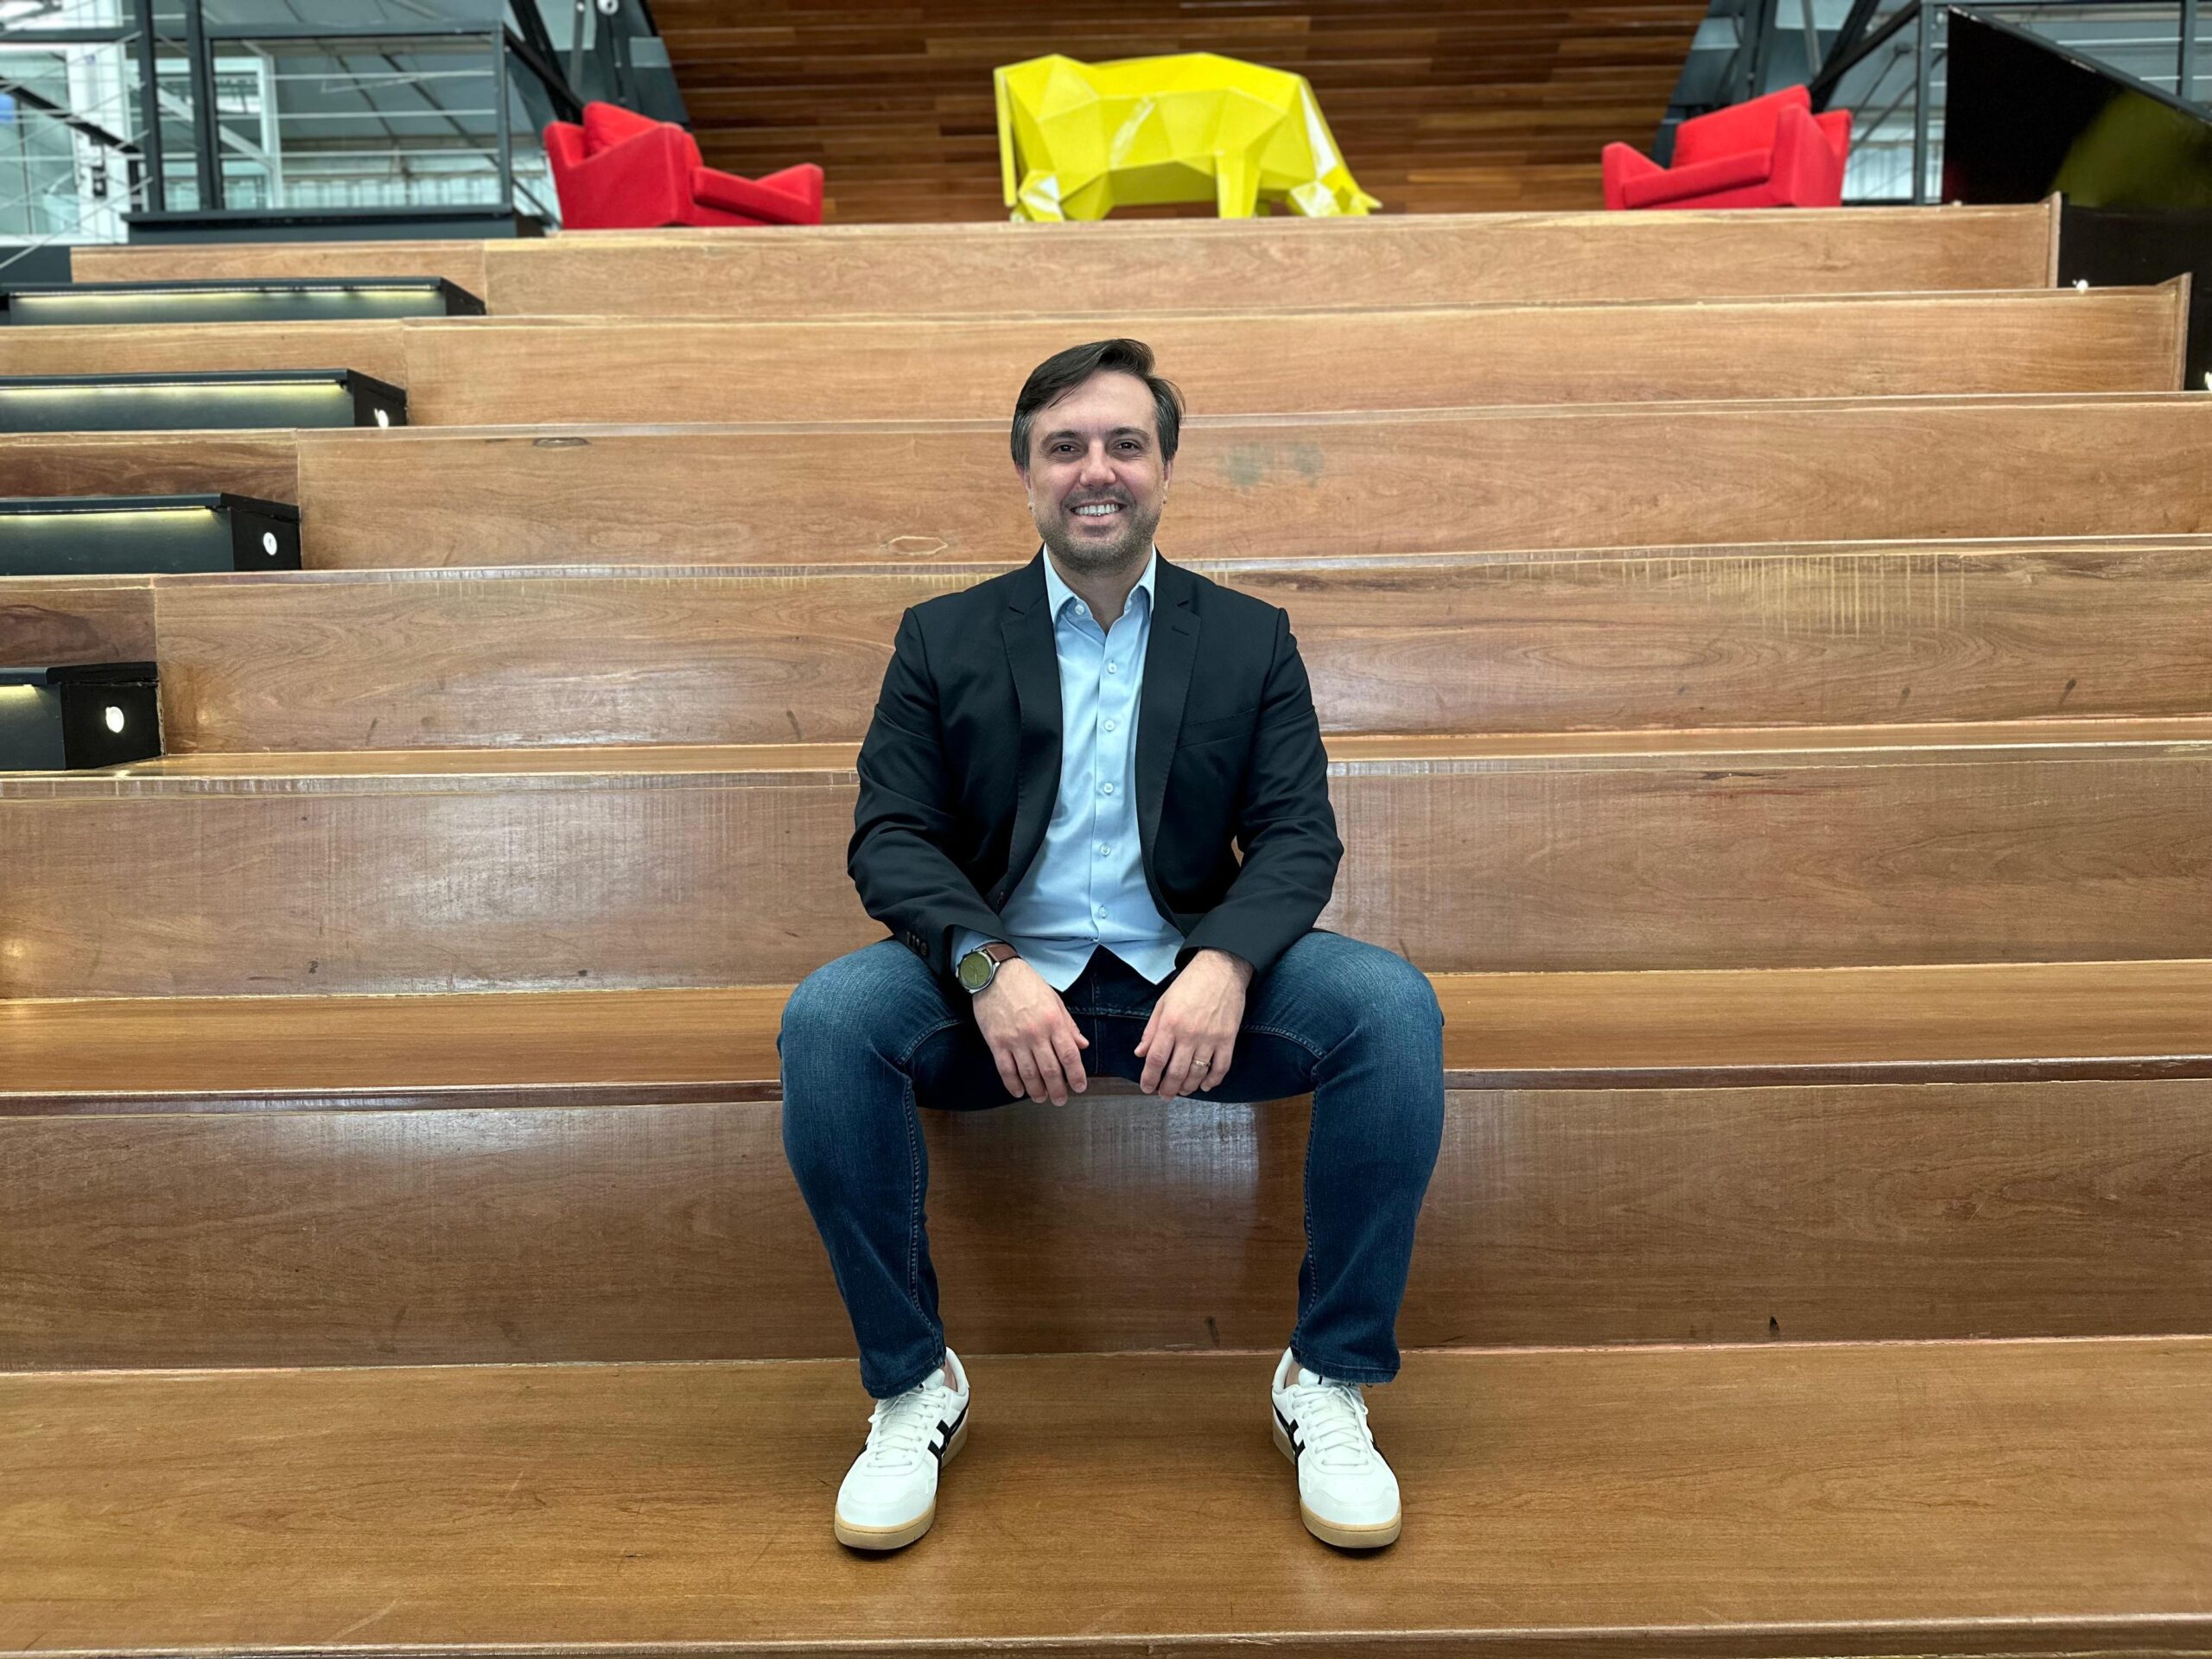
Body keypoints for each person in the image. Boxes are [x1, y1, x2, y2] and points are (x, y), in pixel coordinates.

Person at [779, 338, 1446, 1554]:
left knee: (1390, 1007)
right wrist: (986, 968)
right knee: (828, 1021)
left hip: (1189, 986)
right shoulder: (941, 636)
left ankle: (1330, 1377)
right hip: (994, 996)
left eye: (1125, 444)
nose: (1097, 470)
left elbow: (1299, 834)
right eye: (1066, 447)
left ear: (1165, 469)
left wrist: (1226, 963)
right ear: (1028, 474)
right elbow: (892, 836)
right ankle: (912, 1382)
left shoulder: (1248, 638)